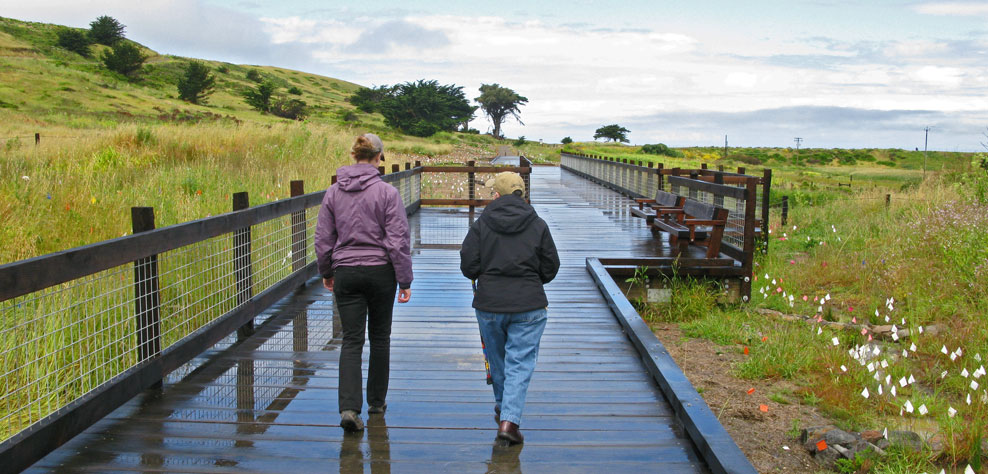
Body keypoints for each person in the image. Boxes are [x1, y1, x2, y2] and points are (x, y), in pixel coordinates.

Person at [315, 133, 413, 432]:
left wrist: (327, 271)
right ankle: (376, 403)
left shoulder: (333, 192)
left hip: (346, 271)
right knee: (380, 338)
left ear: (354, 155)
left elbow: (323, 239)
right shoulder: (387, 193)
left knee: (351, 340)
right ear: (378, 158)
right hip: (380, 271)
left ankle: (348, 408)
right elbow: (397, 240)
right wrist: (404, 279)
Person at [460, 171, 559, 444]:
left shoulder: (482, 224)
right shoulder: (537, 223)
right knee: (520, 362)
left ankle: (506, 413)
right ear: (522, 194)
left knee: (499, 361)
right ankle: (509, 420)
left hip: (490, 303)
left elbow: (468, 266)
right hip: (529, 304)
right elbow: (551, 268)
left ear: (496, 195)